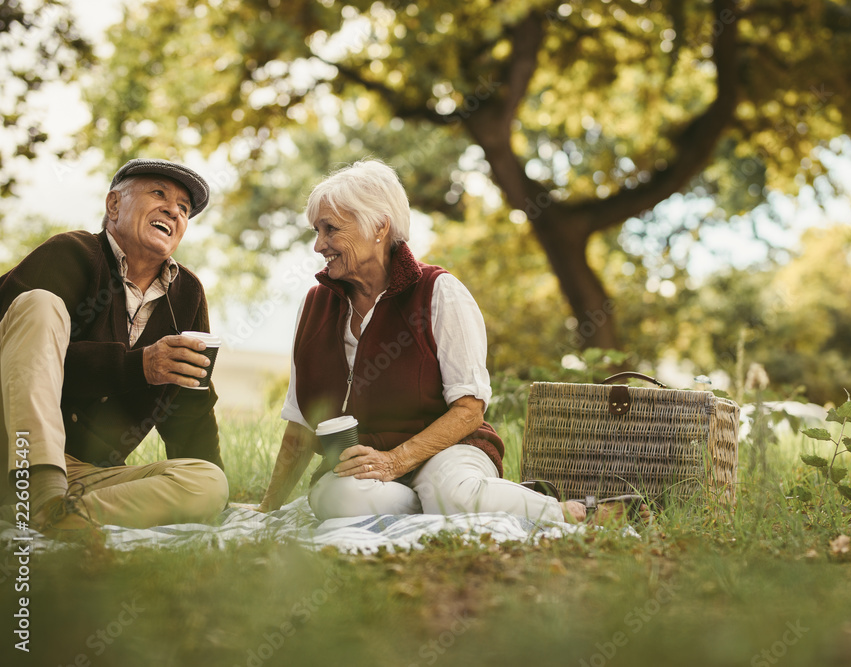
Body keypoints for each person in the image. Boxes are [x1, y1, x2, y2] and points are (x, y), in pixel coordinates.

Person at [255, 159, 644, 524]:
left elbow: (470, 410)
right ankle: (479, 503)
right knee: (336, 501)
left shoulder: (438, 292)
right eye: (316, 232)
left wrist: (396, 461)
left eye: (330, 229)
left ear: (379, 227)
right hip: (369, 470)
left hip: (448, 452)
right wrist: (267, 510)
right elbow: (301, 425)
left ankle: (573, 512)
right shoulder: (316, 305)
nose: (318, 245)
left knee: (450, 490)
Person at [0, 158, 229, 536]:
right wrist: (138, 366)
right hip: (13, 450)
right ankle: (39, 495)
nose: (173, 210)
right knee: (39, 304)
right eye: (159, 193)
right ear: (114, 205)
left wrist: (218, 498)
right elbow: (30, 360)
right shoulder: (70, 254)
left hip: (85, 475)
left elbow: (190, 405)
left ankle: (59, 516)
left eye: (184, 209)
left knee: (208, 482)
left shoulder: (187, 293)